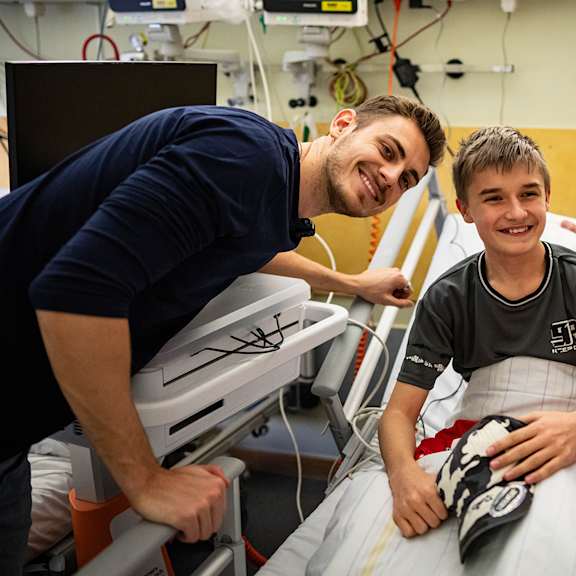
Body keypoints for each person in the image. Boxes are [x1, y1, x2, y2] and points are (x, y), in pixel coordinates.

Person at [0, 94, 446, 570]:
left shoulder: (274, 196)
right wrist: (147, 482)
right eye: (388, 150)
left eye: (407, 180)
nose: (389, 178)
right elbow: (76, 291)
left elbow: (248, 244)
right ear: (342, 124)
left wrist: (351, 282)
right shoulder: (243, 158)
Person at [379, 126, 576, 539]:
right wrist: (402, 476)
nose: (517, 212)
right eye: (494, 198)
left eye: (528, 194)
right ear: (465, 210)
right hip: (485, 429)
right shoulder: (448, 299)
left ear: (547, 198)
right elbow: (398, 413)